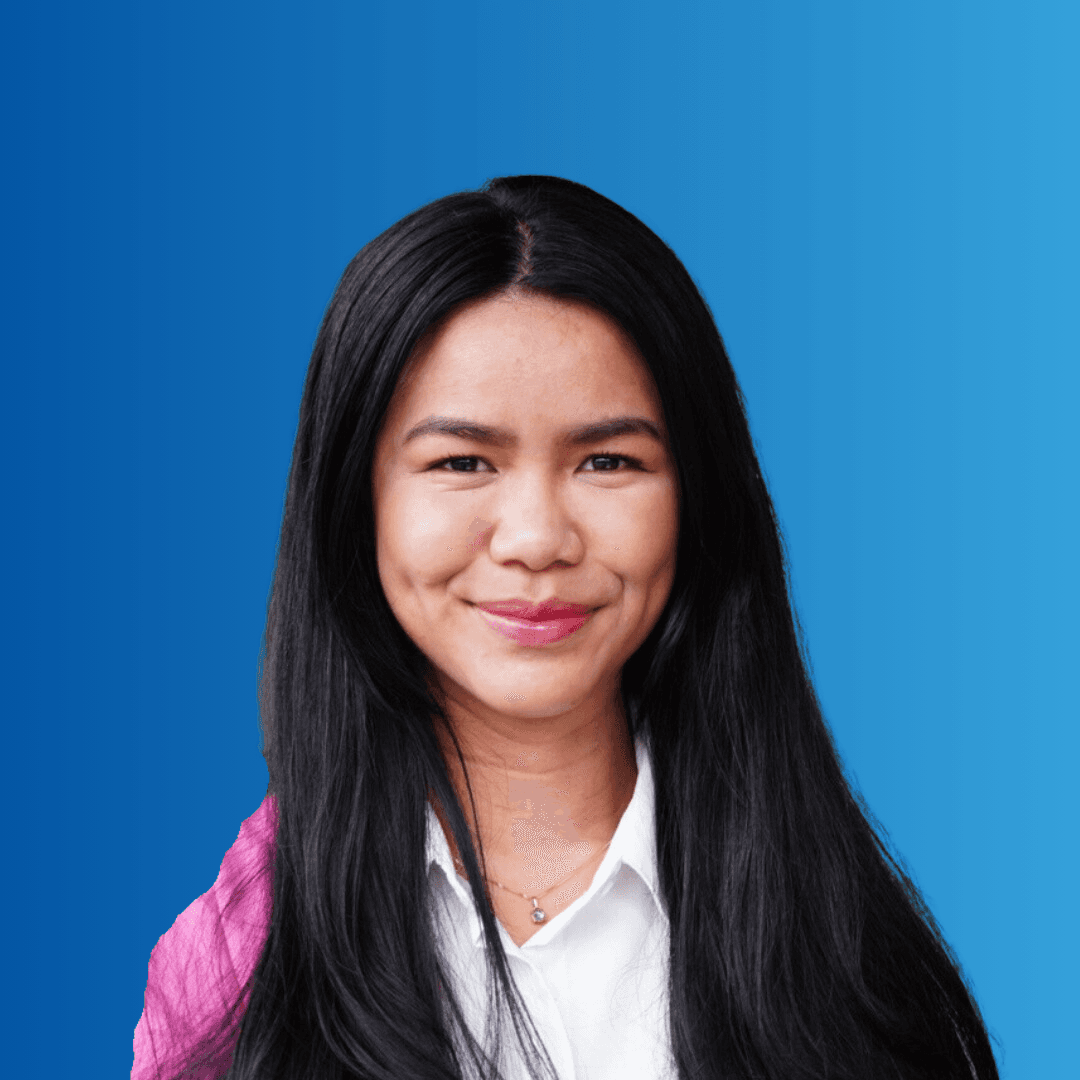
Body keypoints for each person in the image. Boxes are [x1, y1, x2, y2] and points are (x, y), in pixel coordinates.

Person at [133, 175, 999, 1080]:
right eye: (462, 460)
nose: (538, 538)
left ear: (697, 499)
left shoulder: (843, 953)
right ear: (357, 502)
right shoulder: (237, 969)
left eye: (608, 460)